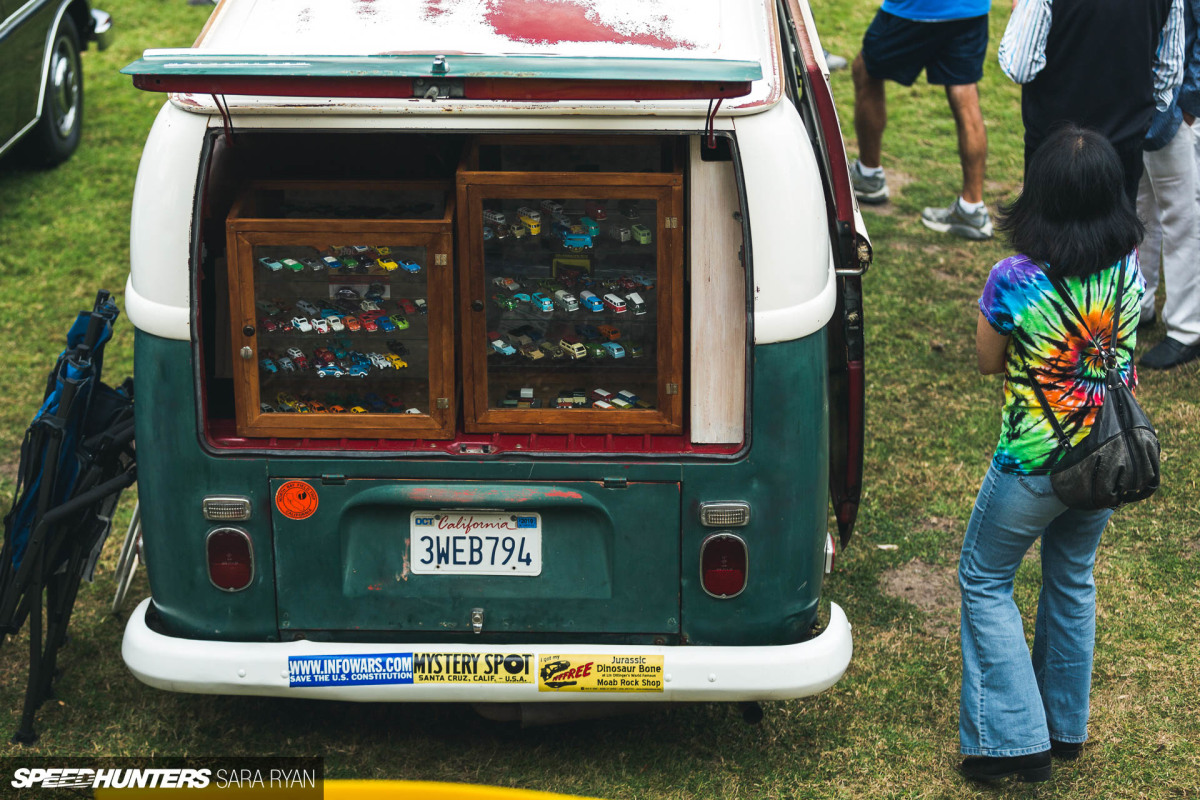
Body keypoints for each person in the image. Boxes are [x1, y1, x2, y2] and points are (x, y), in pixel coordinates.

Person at [960, 125, 1145, 783]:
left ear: (1039, 195)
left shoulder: (1014, 279)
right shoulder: (1127, 268)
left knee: (985, 579)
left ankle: (1013, 742)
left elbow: (987, 363)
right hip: (1104, 456)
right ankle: (1064, 726)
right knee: (1071, 576)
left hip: (1033, 461)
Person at [999, 0, 1185, 205]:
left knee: (1048, 233)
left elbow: (1020, 67)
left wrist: (1018, 13)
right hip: (1124, 142)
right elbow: (1168, 73)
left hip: (1053, 146)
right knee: (1116, 234)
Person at [848, 0, 993, 240]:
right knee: (965, 92)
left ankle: (869, 174)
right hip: (971, 9)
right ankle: (972, 207)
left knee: (865, 69)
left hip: (918, 9)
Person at [1139, 0, 1200, 370]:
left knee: (1182, 214)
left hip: (1176, 109)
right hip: (1139, 105)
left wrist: (1189, 106)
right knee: (1138, 205)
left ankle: (1186, 327)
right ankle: (1140, 303)